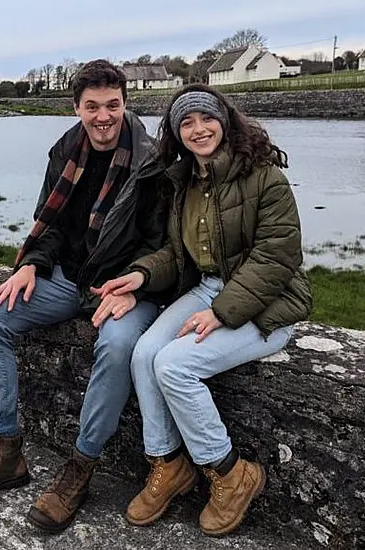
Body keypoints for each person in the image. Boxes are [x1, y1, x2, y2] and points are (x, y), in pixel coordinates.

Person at [0, 59, 168, 533]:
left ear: (126, 103)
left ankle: (79, 470)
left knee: (119, 345)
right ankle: (6, 454)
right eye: (92, 107)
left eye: (112, 105)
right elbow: (51, 223)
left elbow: (163, 241)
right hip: (70, 277)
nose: (103, 116)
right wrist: (31, 264)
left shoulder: (152, 160)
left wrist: (137, 283)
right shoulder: (66, 149)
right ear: (77, 107)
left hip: (128, 285)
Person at [95, 83, 313, 536]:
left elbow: (278, 256)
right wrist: (140, 276)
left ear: (224, 120)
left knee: (173, 365)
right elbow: (178, 256)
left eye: (206, 118)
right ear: (176, 133)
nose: (198, 129)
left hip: (270, 304)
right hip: (208, 289)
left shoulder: (265, 176)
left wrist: (221, 312)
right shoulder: (185, 182)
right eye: (186, 123)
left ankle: (231, 473)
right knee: (143, 353)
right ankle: (169, 462)